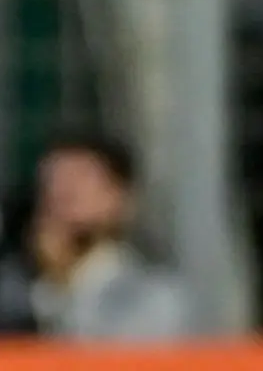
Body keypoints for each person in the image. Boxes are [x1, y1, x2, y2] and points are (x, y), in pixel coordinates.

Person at [28, 133, 189, 340]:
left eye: (80, 179)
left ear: (121, 197)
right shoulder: (24, 293)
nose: (62, 194)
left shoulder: (156, 298)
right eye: (52, 182)